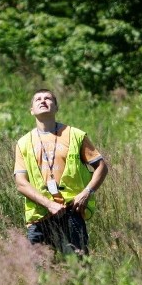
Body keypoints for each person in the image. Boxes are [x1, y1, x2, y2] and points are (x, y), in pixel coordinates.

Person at [14, 89, 109, 256]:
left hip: (71, 212)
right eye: (38, 99)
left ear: (56, 107)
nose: (43, 101)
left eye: (48, 98)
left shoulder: (75, 135)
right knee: (40, 273)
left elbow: (101, 167)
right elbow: (21, 183)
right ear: (31, 110)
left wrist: (86, 193)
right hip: (39, 217)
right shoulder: (23, 143)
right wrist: (49, 204)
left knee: (78, 270)